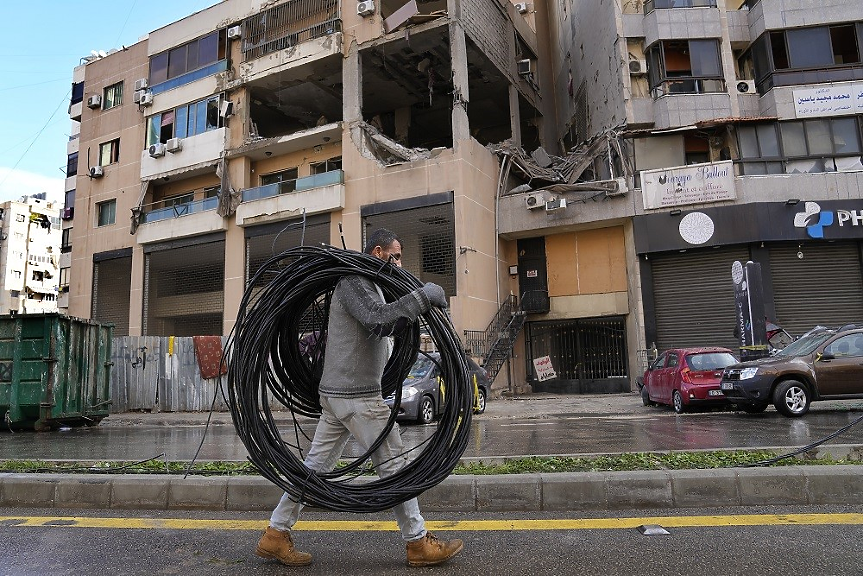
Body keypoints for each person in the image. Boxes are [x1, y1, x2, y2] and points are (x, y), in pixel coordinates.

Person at [255, 228, 464, 568]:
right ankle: (417, 542)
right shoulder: (355, 281)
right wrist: (423, 296)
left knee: (315, 468)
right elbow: (378, 320)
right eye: (394, 256)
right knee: (395, 465)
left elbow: (388, 323)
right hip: (356, 396)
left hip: (344, 395)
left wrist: (415, 305)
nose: (399, 263)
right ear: (378, 252)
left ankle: (276, 534)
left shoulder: (373, 285)